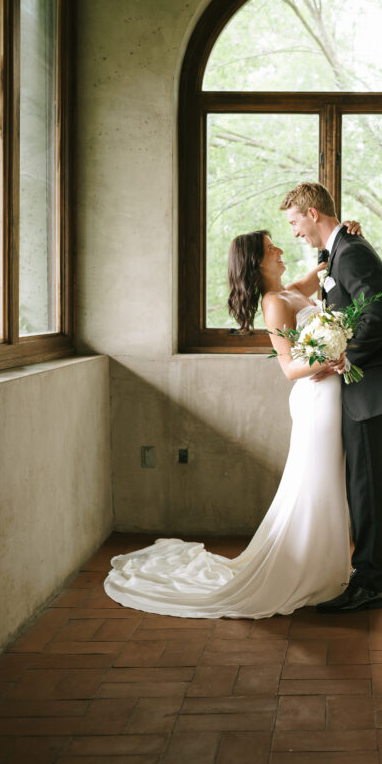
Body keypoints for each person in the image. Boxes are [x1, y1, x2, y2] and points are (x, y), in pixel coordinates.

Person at [103, 223, 361, 619]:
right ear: (257, 262)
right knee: (317, 481)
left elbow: (328, 258)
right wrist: (330, 357)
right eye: (271, 248)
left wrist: (350, 232)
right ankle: (312, 572)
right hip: (315, 398)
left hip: (330, 392)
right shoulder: (274, 302)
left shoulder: (294, 289)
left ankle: (327, 568)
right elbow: (289, 367)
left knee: (328, 480)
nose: (280, 250)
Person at [281, 182, 382, 614]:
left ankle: (370, 583)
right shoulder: (340, 251)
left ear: (313, 213)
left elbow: (376, 316)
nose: (294, 232)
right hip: (359, 385)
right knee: (361, 482)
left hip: (367, 385)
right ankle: (370, 572)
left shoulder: (352, 252)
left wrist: (345, 356)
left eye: (295, 221)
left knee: (366, 483)